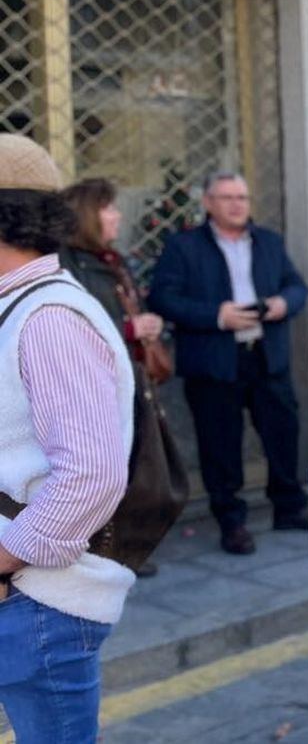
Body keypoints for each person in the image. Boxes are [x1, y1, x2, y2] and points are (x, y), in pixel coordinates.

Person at [0, 135, 135, 744]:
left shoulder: (49, 317)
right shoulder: (19, 306)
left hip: (36, 602)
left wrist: (3, 563)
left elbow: (90, 475)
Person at [147, 171, 308, 555]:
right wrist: (218, 316)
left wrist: (282, 304)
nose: (237, 204)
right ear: (208, 203)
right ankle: (231, 521)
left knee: (283, 432)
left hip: (267, 355)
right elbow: (163, 299)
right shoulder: (183, 246)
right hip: (214, 361)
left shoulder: (268, 241)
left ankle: (288, 506)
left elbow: (297, 285)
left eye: (242, 197)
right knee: (219, 444)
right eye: (227, 197)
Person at [58, 179, 173, 576]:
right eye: (108, 208)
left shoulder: (111, 261)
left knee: (135, 469)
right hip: (96, 388)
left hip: (130, 380)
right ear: (88, 215)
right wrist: (129, 328)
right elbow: (71, 325)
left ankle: (123, 549)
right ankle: (102, 550)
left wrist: (144, 327)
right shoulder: (67, 264)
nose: (118, 215)